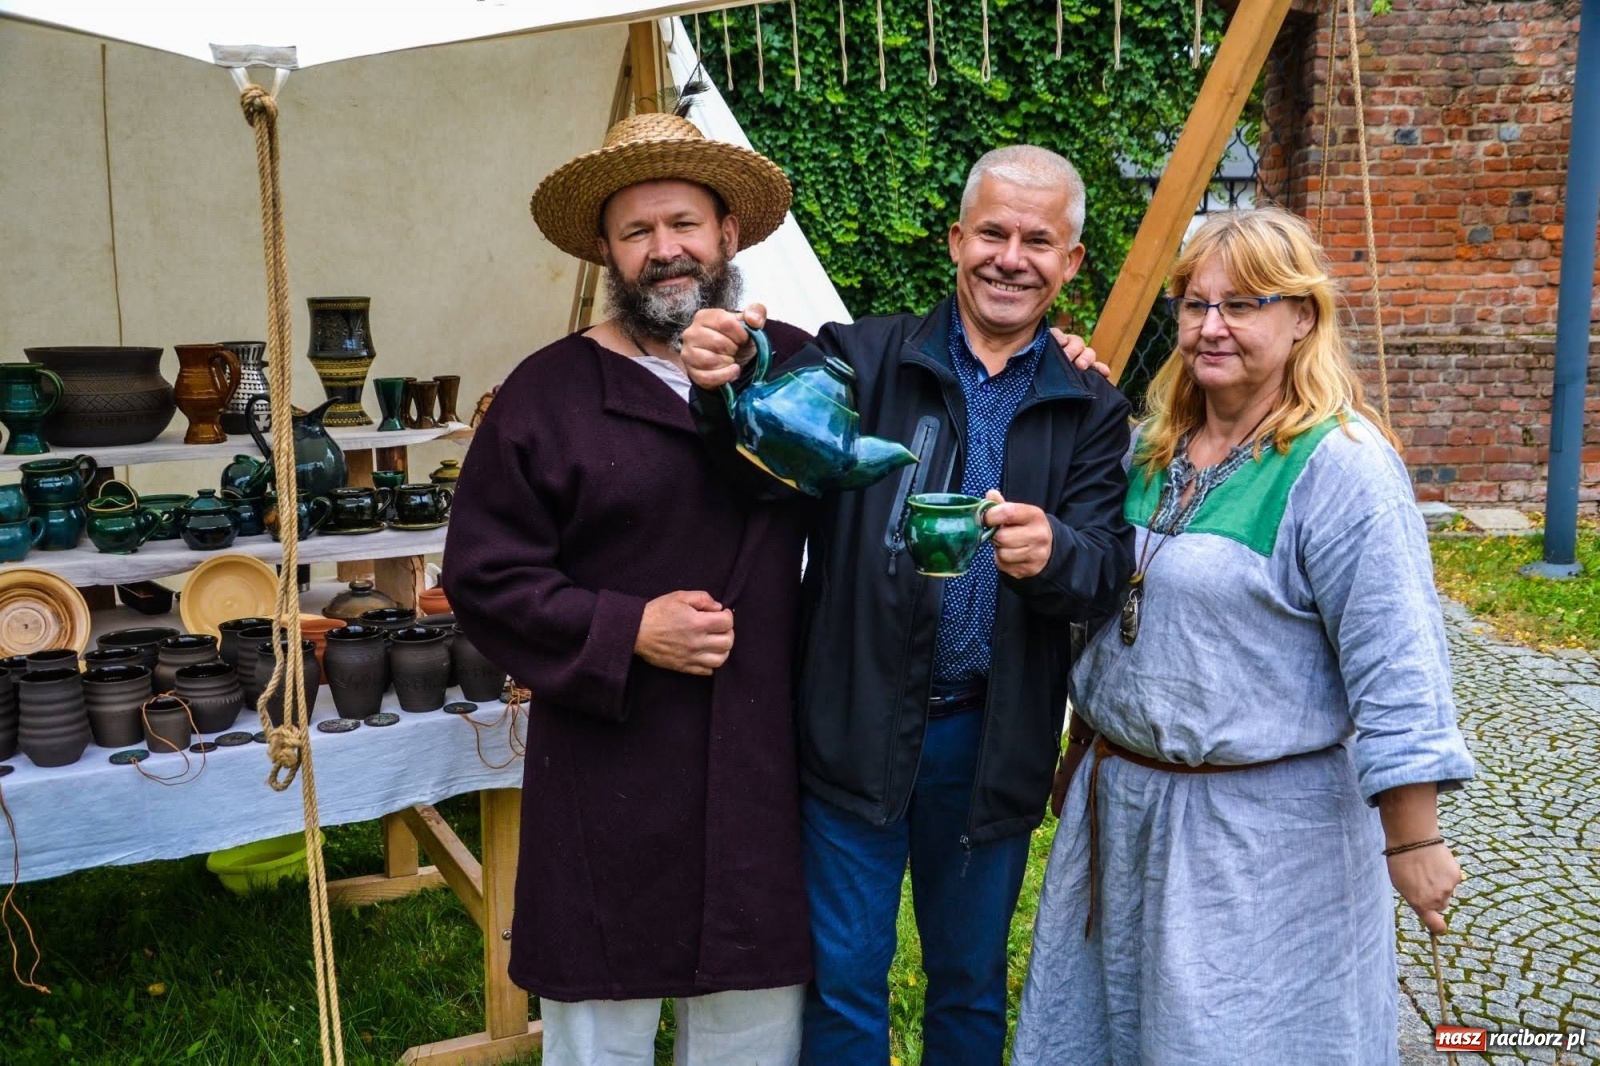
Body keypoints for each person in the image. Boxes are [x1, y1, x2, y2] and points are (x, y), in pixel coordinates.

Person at [680, 144, 1135, 1065]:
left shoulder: (1090, 406)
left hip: (989, 738)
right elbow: (765, 460)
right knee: (845, 982)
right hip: (855, 720)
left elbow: (1103, 568)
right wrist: (722, 384)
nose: (1011, 259)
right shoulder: (864, 358)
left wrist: (1054, 552)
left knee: (968, 987)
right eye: (993, 234)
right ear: (956, 240)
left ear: (1072, 261)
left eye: (1038, 241)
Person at [1012, 207, 1476, 1065]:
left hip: (1263, 836)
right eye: (1195, 304)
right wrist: (1084, 747)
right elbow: (1108, 612)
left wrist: (1413, 837)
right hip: (1125, 811)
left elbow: (1398, 661)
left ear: (1302, 317)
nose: (1211, 325)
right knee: (1113, 1033)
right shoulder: (1149, 452)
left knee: (1236, 1040)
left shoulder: (1342, 467)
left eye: (1243, 304)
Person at [443, 94, 817, 1066]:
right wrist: (625, 628)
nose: (665, 250)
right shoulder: (547, 393)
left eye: (683, 222)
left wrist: (1058, 357)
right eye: (636, 232)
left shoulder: (797, 368)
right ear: (607, 254)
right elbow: (484, 575)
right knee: (598, 1038)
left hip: (761, 765)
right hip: (608, 772)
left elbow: (916, 413)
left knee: (751, 1032)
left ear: (727, 231)